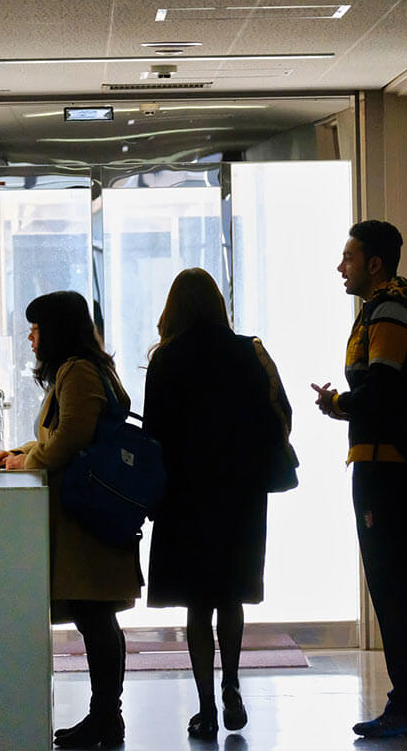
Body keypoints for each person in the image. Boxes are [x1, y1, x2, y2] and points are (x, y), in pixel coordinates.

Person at [310, 220, 407, 738]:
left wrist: (339, 404)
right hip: (397, 465)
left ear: (374, 263)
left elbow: (383, 391)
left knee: (396, 586)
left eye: (348, 258)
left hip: (387, 469)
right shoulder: (406, 303)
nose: (340, 267)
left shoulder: (389, 310)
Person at [142, 268, 291, 742]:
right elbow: (281, 414)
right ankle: (232, 683)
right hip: (240, 493)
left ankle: (206, 707)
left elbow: (153, 435)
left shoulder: (166, 359)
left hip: (185, 495)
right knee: (230, 595)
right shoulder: (249, 351)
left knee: (197, 602)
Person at [0, 290, 140, 749]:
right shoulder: (84, 368)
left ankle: (106, 718)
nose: (31, 338)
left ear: (56, 330)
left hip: (88, 515)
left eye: (36, 329)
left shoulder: (77, 372)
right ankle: (105, 717)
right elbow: (59, 438)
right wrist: (20, 453)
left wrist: (28, 459)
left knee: (95, 615)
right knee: (96, 615)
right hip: (92, 510)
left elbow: (68, 440)